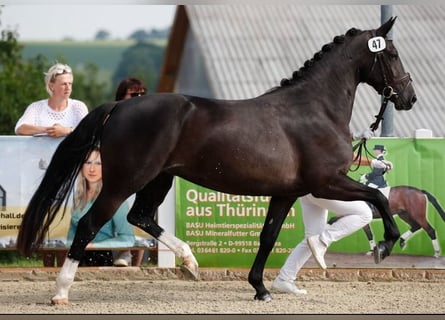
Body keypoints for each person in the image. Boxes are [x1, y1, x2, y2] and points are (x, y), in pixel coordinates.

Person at [271, 128, 374, 295]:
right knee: (365, 214)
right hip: (323, 188)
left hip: (307, 191)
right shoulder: (325, 131)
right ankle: (324, 239)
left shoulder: (311, 131)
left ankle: (284, 279)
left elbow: (338, 149)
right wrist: (371, 157)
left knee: (311, 237)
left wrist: (356, 137)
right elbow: (340, 153)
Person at [66, 146, 135, 267]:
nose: (92, 169)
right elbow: (71, 239)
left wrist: (93, 246)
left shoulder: (114, 198)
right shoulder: (77, 198)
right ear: (81, 167)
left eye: (98, 163)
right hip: (78, 257)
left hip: (104, 257)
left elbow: (128, 238)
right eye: (88, 162)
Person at [114, 77, 148, 267]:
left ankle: (137, 263)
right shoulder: (112, 117)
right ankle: (123, 253)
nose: (140, 97)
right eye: (134, 94)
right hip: (118, 174)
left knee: (142, 214)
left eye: (143, 94)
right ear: (121, 97)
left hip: (141, 174)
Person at [15, 62, 88, 137]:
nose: (68, 87)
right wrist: (50, 130)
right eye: (64, 84)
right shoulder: (36, 107)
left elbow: (88, 131)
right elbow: (20, 129)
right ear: (51, 86)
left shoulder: (78, 106)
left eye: (70, 83)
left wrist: (67, 130)